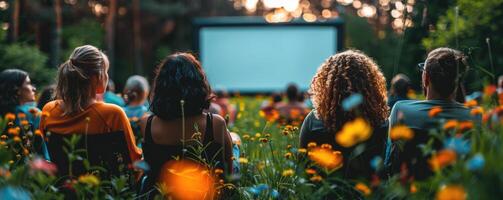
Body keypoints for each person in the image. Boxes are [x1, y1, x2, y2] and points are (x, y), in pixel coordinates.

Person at [138, 53, 233, 197]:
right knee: (235, 144)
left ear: (161, 86)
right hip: (206, 194)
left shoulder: (147, 123)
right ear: (199, 84)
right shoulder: (215, 123)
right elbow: (227, 171)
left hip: (163, 195)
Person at [39, 45, 141, 170]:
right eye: (106, 72)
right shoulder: (112, 114)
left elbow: (44, 149)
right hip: (101, 187)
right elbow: (132, 161)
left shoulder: (49, 110)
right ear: (97, 77)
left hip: (59, 185)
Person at [384, 47, 480, 179]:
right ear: (457, 80)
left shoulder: (401, 110)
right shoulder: (476, 116)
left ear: (426, 78)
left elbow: (389, 162)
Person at [299, 50, 389, 179]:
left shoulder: (313, 122)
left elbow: (303, 167)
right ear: (371, 85)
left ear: (326, 85)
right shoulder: (381, 123)